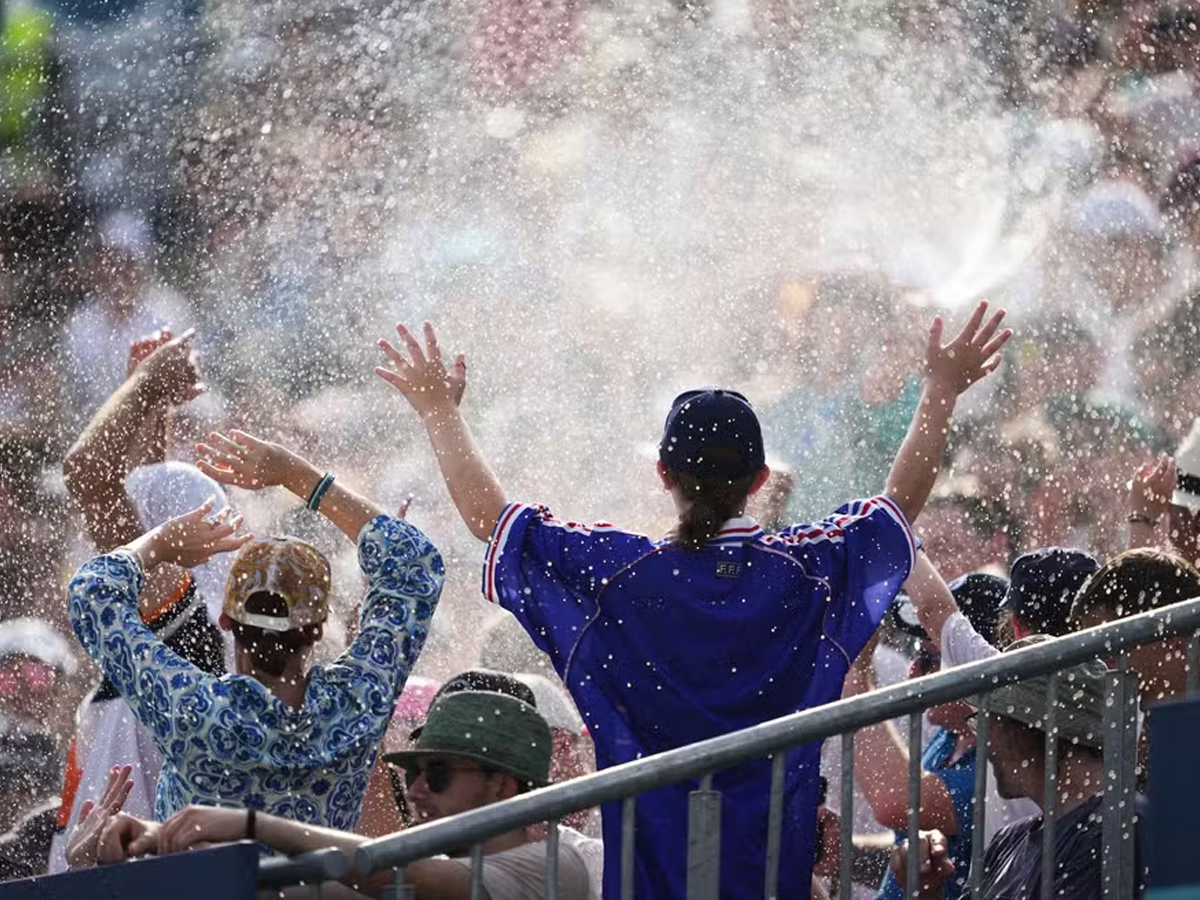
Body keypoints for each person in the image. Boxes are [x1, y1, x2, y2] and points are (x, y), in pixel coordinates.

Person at [376, 302, 1011, 899]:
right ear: (760, 482)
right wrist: (941, 390)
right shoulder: (806, 571)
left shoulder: (621, 574)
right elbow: (899, 503)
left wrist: (439, 410)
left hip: (653, 880)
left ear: (663, 475)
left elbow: (491, 519)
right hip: (771, 876)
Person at [68, 428, 445, 830]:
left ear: (227, 622)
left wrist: (160, 544)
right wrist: (296, 475)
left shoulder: (195, 713)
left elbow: (92, 591)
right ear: (318, 629)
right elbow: (413, 561)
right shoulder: (354, 706)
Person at [97, 690, 595, 900]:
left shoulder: (555, 865)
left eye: (437, 773)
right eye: (414, 771)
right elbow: (301, 890)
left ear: (502, 785)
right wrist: (158, 840)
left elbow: (402, 873)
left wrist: (251, 823)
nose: (417, 789)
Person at [52, 330, 229, 873]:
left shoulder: (183, 635)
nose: (99, 548)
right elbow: (138, 496)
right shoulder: (184, 634)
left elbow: (88, 474)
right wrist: (150, 402)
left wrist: (146, 380)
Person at [888, 636, 1149, 899]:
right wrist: (925, 889)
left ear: (1032, 723)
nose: (984, 738)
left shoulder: (1116, 826)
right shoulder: (1007, 842)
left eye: (992, 720)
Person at [847, 573, 1021, 900]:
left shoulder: (1007, 759)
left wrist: (856, 673)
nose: (913, 671)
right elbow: (914, 837)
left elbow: (896, 803)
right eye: (916, 655)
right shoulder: (949, 737)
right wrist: (846, 854)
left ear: (972, 665)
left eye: (930, 659)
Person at [903, 546, 1098, 670]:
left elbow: (935, 612)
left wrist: (903, 536)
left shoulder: (1006, 678)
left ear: (1018, 626)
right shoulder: (1119, 677)